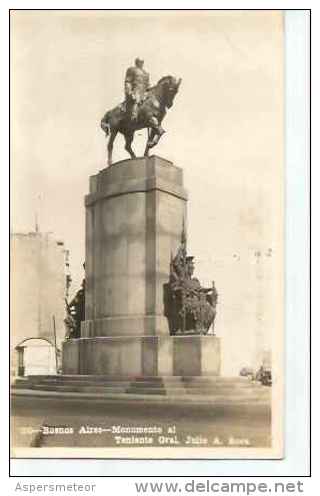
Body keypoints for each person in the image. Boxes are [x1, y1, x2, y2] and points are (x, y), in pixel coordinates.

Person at [124, 57, 150, 122]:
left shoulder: (146, 73)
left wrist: (148, 91)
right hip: (135, 91)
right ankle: (133, 117)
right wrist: (130, 92)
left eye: (142, 62)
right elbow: (128, 81)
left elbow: (148, 84)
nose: (141, 63)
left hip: (144, 92)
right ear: (136, 62)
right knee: (136, 100)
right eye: (139, 62)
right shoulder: (131, 70)